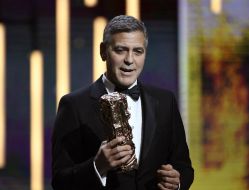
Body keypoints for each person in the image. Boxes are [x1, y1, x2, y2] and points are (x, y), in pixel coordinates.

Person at [51, 15, 194, 190]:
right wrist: (98, 166)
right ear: (103, 51)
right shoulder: (73, 105)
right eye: (120, 50)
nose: (129, 59)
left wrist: (177, 182)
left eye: (138, 51)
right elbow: (60, 182)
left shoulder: (165, 101)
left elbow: (184, 166)